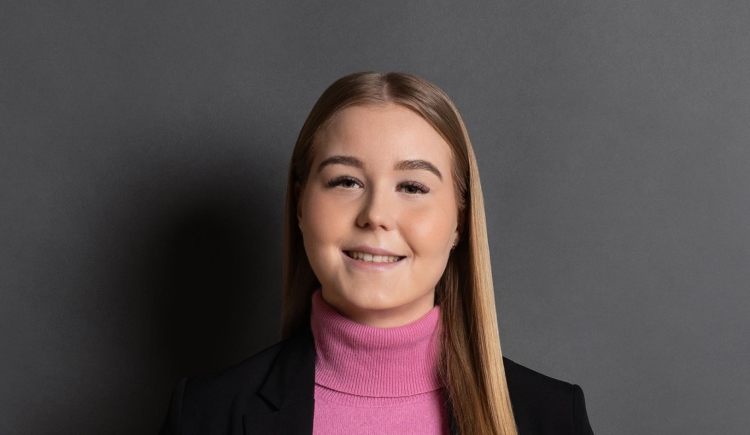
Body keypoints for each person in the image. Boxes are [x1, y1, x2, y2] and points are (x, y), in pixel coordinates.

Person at [159, 72, 595, 435]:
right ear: (300, 205)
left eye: (413, 187)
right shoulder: (204, 414)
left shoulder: (553, 417)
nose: (376, 215)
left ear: (459, 222)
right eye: (345, 181)